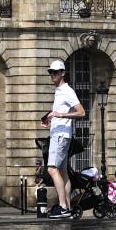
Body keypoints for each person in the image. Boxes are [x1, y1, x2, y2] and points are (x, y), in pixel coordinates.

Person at [43, 60, 85, 215]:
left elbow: (81, 112)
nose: (52, 75)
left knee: (52, 169)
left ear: (62, 73)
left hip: (60, 136)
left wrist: (60, 114)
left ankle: (62, 207)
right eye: (51, 72)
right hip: (59, 133)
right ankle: (67, 206)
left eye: (55, 72)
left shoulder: (67, 90)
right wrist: (50, 119)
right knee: (62, 171)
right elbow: (60, 113)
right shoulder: (59, 90)